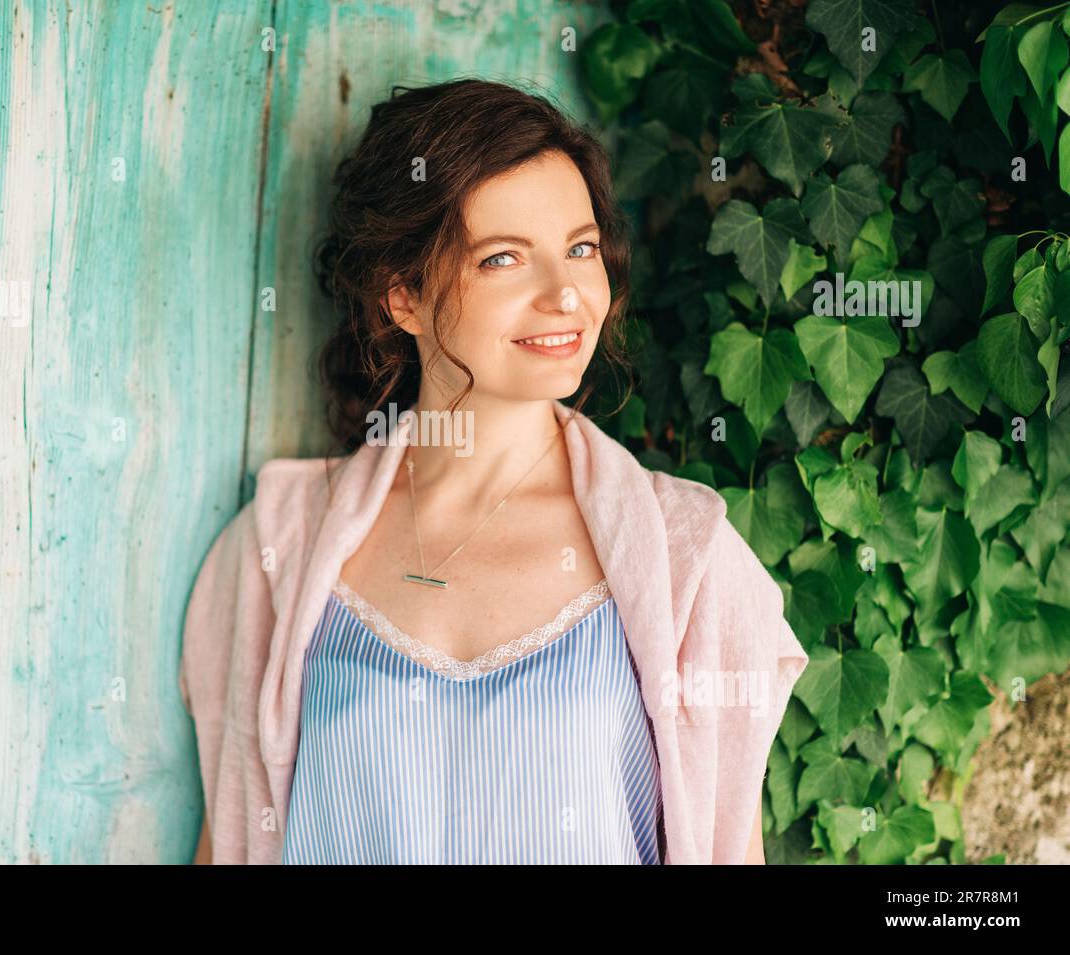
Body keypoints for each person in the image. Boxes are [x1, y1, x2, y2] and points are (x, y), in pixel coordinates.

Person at [179, 78, 808, 865]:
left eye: (581, 248)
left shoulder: (687, 561)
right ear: (402, 294)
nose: (566, 295)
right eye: (505, 258)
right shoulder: (278, 550)